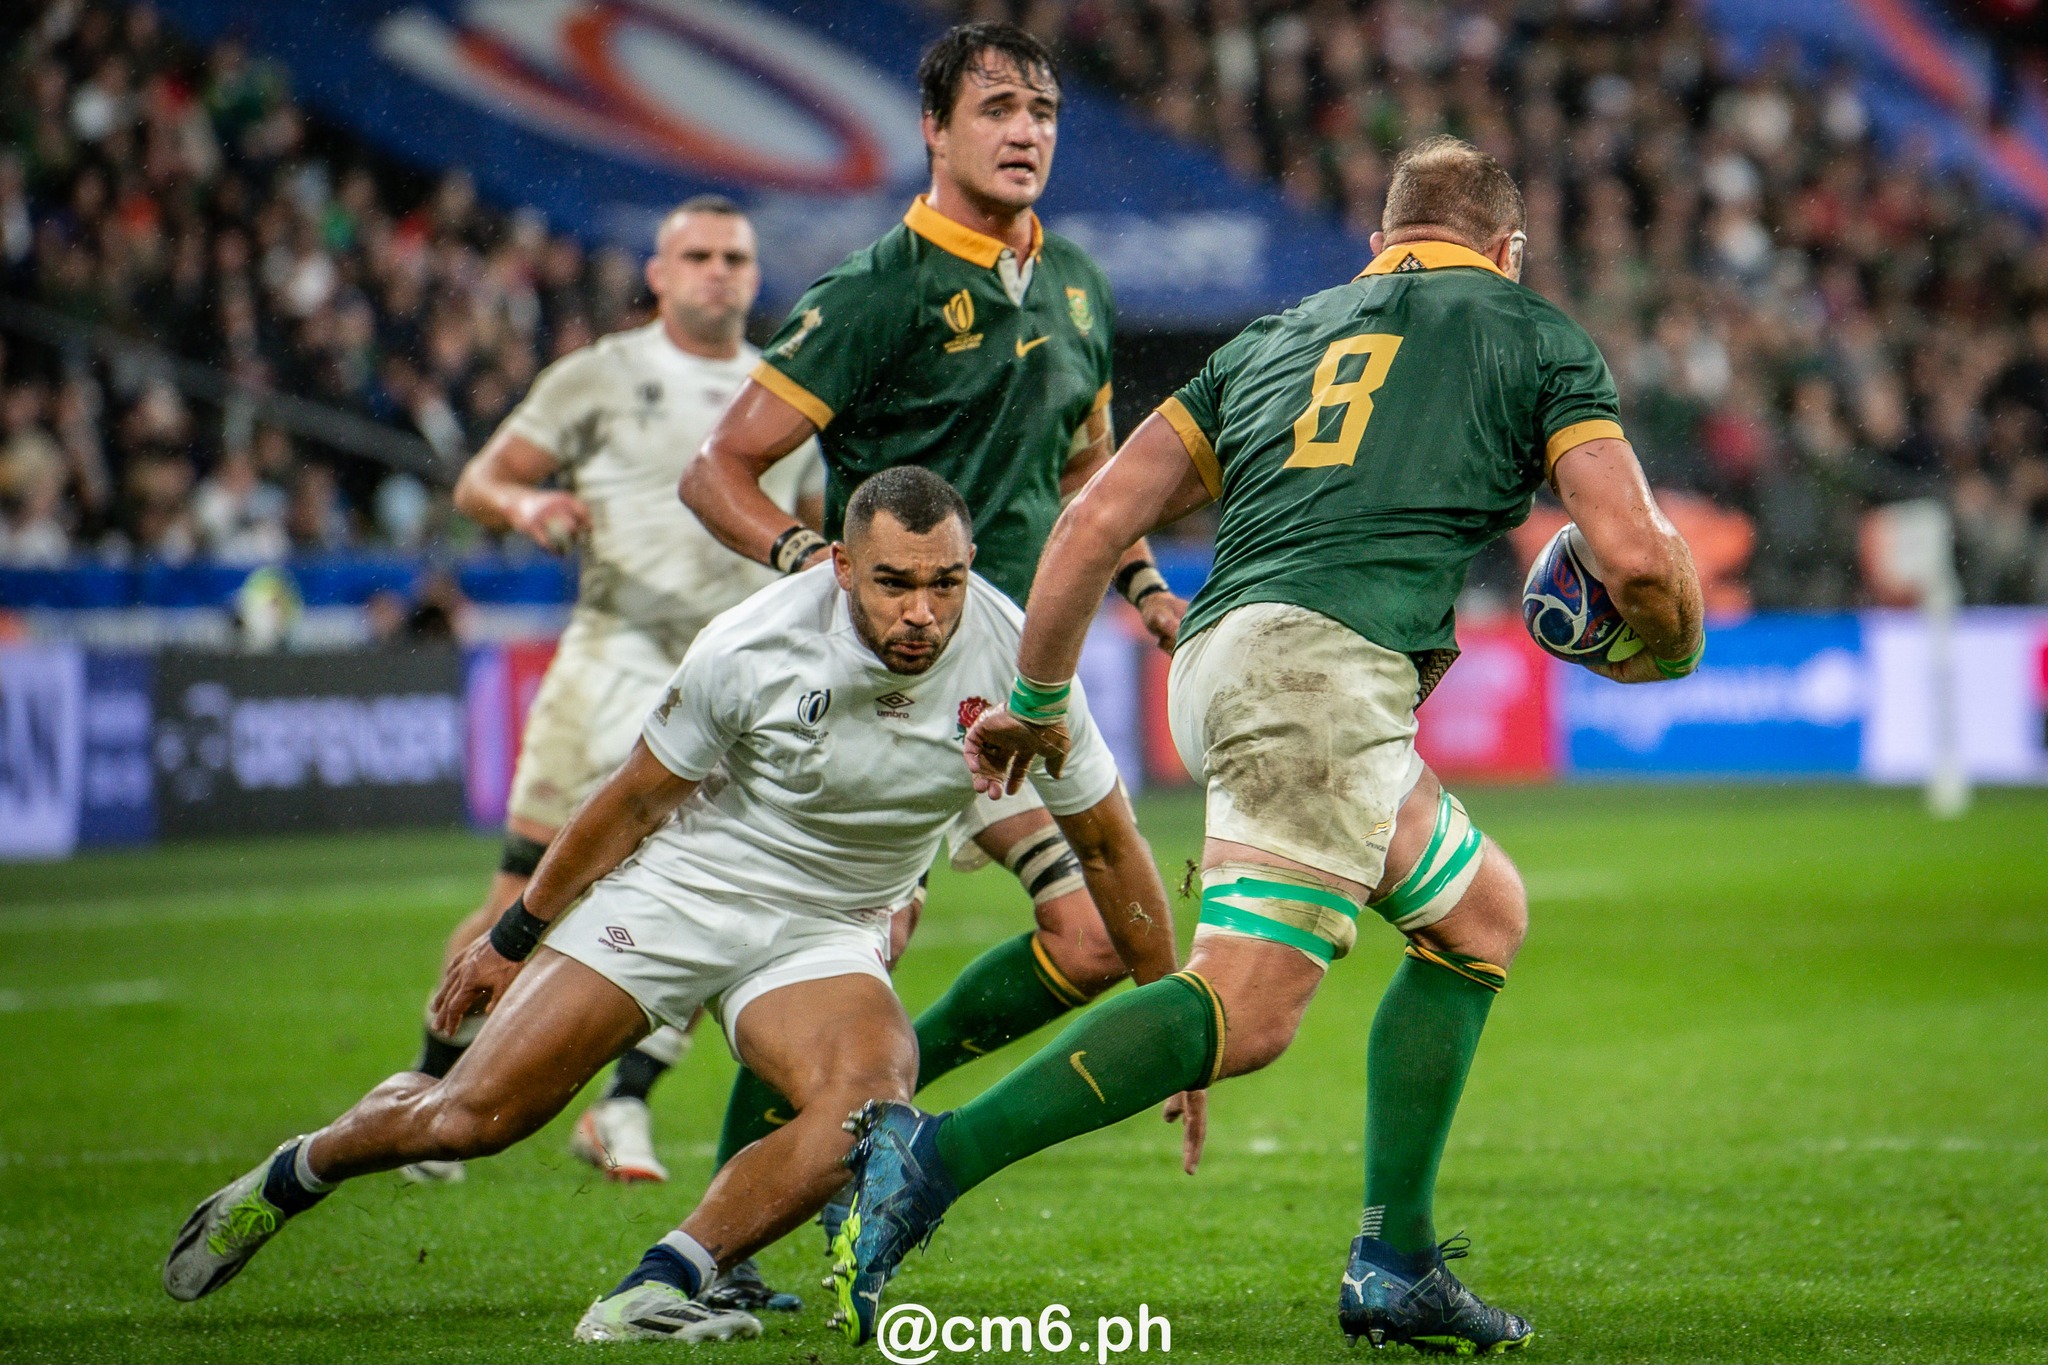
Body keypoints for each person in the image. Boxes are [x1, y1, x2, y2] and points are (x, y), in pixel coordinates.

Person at [829, 136, 1708, 1354]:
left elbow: (1093, 520)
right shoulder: (1529, 331)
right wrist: (1663, 641)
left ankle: (1395, 1263)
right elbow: (1628, 553)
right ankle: (928, 1154)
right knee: (1246, 1013)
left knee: (1479, 916)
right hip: (1321, 678)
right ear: (1506, 252)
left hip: (1223, 651)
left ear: (1377, 248)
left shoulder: (1273, 338)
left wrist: (1035, 697)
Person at [160, 468, 1191, 1345]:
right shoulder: (752, 644)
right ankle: (296, 1172)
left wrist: (1166, 1028)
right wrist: (511, 937)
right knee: (472, 1119)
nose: (922, 612)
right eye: (893, 585)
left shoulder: (1020, 659)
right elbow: (635, 800)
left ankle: (657, 1283)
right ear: (839, 567)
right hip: (682, 891)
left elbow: (1106, 841)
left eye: (945, 583)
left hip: (824, 931)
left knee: (871, 1106)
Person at [673, 21, 1190, 1299]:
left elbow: (1086, 470)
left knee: (1081, 942)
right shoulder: (875, 293)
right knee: (845, 957)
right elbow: (716, 470)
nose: (1026, 132)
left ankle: (887, 1108)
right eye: (998, 108)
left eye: (1045, 112)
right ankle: (722, 1241)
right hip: (886, 676)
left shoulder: (1074, 281)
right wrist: (810, 566)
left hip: (1013, 677)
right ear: (936, 130)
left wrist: (1140, 585)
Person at [421, 196, 823, 1229]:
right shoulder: (596, 374)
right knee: (520, 890)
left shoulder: (784, 390)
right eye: (696, 256)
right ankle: (431, 1078)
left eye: (735, 257)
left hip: (727, 685)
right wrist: (529, 506)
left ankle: (625, 1104)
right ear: (657, 273)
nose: (717, 274)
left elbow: (812, 531)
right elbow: (480, 480)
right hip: (607, 663)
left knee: (717, 890)